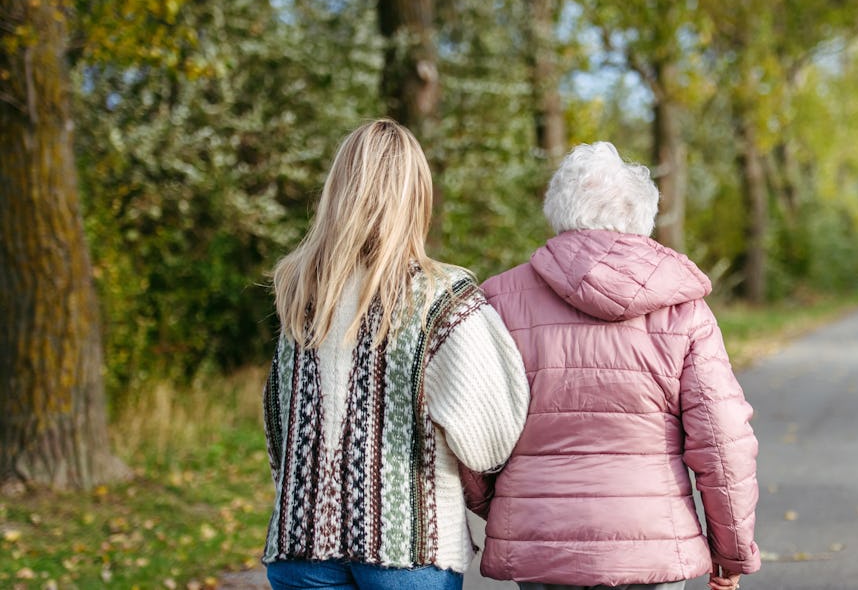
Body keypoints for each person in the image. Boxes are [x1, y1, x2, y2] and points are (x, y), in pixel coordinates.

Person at [464, 142, 761, 590]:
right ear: (642, 216)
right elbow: (722, 439)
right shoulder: (682, 308)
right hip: (652, 538)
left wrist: (503, 504)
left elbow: (470, 425)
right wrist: (731, 549)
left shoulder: (498, 301)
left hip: (543, 536)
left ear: (557, 210)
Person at [260, 119, 530, 590]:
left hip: (299, 547)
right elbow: (491, 438)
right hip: (407, 550)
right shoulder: (442, 297)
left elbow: (276, 420)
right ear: (414, 196)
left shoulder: (300, 293)